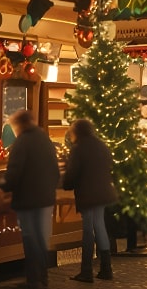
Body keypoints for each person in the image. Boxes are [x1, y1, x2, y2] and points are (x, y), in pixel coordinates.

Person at [1, 109, 59, 289]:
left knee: (30, 239)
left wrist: (0, 187)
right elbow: (55, 171)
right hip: (46, 198)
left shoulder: (22, 142)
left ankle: (34, 280)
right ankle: (42, 278)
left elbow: (14, 173)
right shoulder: (45, 139)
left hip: (28, 200)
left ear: (18, 125)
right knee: (41, 240)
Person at [63, 119, 117, 282]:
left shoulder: (78, 148)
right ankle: (106, 268)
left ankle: (86, 270)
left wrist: (66, 184)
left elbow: (72, 173)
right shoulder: (101, 145)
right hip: (103, 193)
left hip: (88, 195)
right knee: (99, 227)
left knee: (88, 231)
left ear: (77, 132)